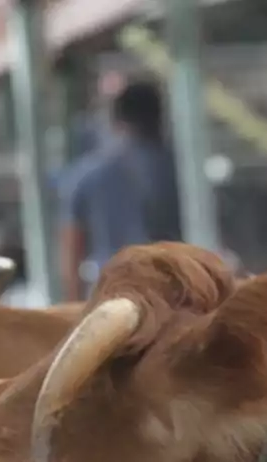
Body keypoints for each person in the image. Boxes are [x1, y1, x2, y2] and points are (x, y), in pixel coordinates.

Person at [57, 79, 182, 301]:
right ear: (159, 118)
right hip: (172, 292)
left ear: (116, 120)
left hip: (111, 294)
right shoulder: (178, 169)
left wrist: (74, 308)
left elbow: (72, 250)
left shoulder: (86, 175)